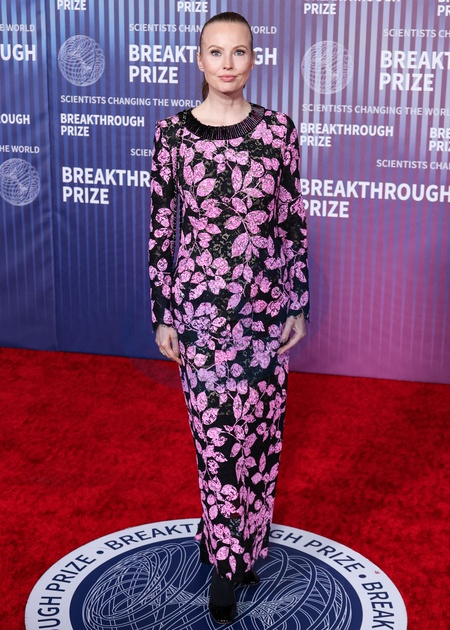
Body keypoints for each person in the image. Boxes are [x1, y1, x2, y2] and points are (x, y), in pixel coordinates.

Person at [149, 11, 309, 624]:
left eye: (238, 52)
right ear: (199, 60)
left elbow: (291, 223)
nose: (227, 63)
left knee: (260, 436)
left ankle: (249, 539)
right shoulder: (172, 136)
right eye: (215, 52)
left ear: (253, 60)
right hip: (200, 312)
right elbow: (163, 229)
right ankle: (224, 560)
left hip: (265, 310)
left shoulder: (278, 131)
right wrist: (163, 311)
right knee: (216, 438)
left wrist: (298, 302)